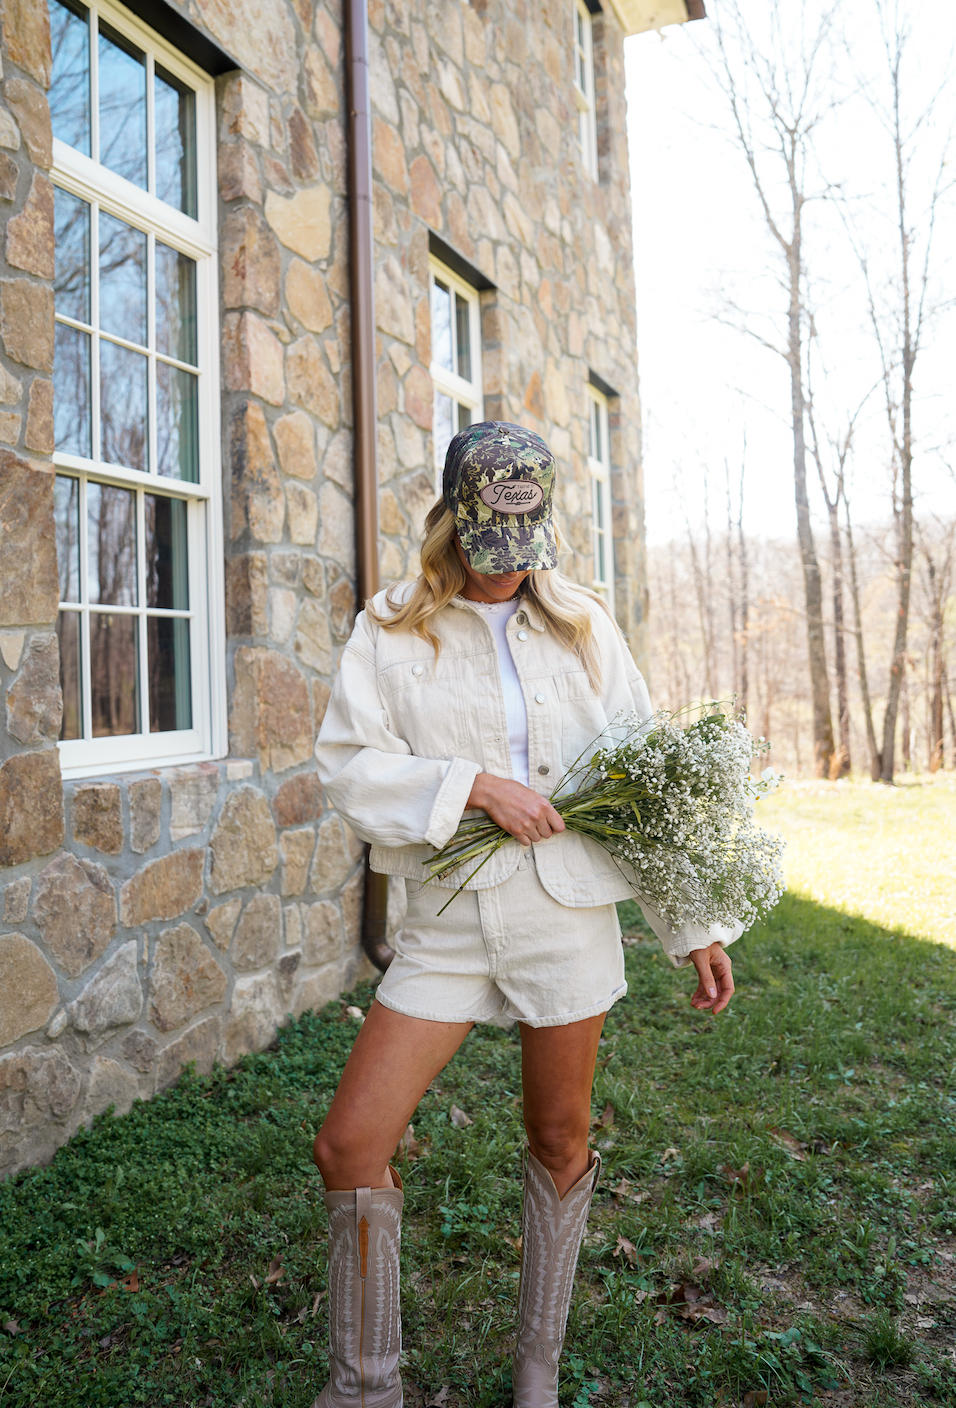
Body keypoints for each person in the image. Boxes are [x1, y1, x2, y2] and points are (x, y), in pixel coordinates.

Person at [311, 421, 737, 1408]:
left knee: (558, 1135)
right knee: (350, 1141)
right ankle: (367, 1385)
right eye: (484, 539)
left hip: (565, 913)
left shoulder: (584, 623)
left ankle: (536, 1374)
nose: (503, 567)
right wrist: (471, 786)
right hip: (449, 919)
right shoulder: (388, 627)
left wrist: (693, 921)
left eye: (521, 541)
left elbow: (643, 782)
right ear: (451, 520)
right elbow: (347, 768)